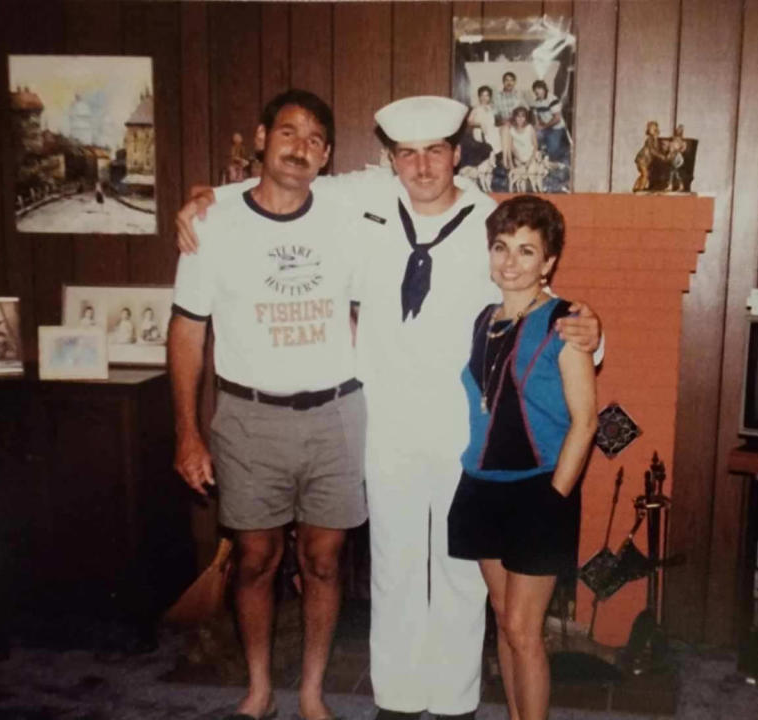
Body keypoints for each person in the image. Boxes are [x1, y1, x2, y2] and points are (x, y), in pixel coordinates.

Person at [175, 94, 602, 720]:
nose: (422, 167)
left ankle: (454, 702)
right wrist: (203, 196)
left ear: (458, 156)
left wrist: (592, 332)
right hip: (384, 418)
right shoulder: (359, 202)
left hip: (465, 427)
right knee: (395, 563)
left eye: (436, 152)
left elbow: (536, 291)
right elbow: (281, 179)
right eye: (407, 154)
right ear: (390, 160)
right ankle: (399, 700)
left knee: (459, 573)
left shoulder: (491, 218)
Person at [168, 89, 366, 720]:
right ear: (260, 138)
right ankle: (259, 690)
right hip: (248, 418)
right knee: (254, 560)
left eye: (314, 139)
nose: (299, 147)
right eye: (288, 132)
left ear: (328, 156)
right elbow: (187, 330)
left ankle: (310, 693)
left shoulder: (345, 215)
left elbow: (414, 176)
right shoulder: (212, 224)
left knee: (325, 561)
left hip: (336, 417)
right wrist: (187, 433)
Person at [449, 195, 597, 720]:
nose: (510, 262)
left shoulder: (566, 323)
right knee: (502, 619)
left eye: (526, 250)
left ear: (549, 261)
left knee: (521, 629)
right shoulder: (481, 320)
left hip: (539, 488)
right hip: (482, 485)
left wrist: (555, 498)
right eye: (501, 247)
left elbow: (586, 422)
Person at [530, 80, 568, 164]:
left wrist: (543, 127)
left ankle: (557, 159)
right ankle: (540, 158)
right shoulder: (536, 101)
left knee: (553, 152)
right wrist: (537, 126)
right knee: (534, 137)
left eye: (539, 88)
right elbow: (535, 117)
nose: (537, 91)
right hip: (546, 128)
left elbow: (557, 118)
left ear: (544, 89)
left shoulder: (552, 99)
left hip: (557, 128)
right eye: (535, 89)